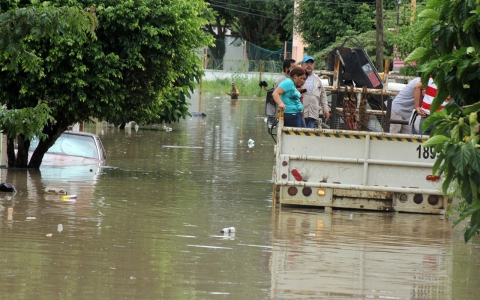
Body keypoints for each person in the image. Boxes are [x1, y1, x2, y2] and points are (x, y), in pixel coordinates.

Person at [301, 56, 330, 128]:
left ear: (314, 66)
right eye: (307, 63)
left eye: (311, 63)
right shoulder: (298, 77)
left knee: (308, 134)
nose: (309, 65)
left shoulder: (317, 79)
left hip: (313, 112)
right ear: (302, 65)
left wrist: (325, 109)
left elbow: (323, 94)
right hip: (301, 112)